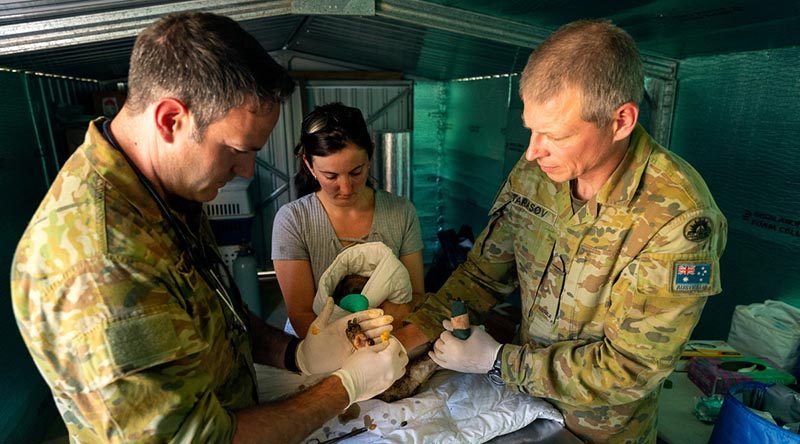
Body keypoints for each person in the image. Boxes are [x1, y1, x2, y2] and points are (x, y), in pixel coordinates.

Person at [10, 12, 407, 444]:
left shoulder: (165, 192)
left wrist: (295, 353)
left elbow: (218, 314)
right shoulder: (104, 265)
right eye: (237, 150)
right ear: (170, 120)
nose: (248, 171)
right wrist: (343, 386)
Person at [398, 19, 728, 442]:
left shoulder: (677, 218)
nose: (533, 151)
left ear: (620, 121)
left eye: (554, 135)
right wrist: (411, 338)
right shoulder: (541, 169)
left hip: (597, 432)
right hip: (519, 410)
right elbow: (482, 275)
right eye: (531, 129)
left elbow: (630, 367)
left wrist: (498, 360)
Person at [272, 102, 425, 337]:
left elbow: (415, 297)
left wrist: (393, 316)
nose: (345, 188)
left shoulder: (401, 212)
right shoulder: (294, 221)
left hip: (387, 336)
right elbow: (302, 315)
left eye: (356, 172)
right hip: (317, 341)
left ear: (370, 156)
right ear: (309, 165)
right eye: (330, 176)